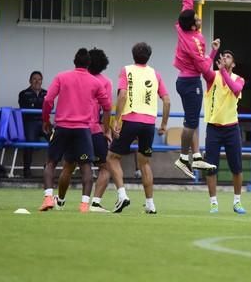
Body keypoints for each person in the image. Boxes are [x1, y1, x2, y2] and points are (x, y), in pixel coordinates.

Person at [39, 48, 111, 213]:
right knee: (86, 166)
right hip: (83, 130)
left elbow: (48, 99)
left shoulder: (61, 77)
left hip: (62, 127)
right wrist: (106, 128)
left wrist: (45, 119)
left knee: (51, 163)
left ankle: (49, 198)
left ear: (74, 61)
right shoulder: (96, 82)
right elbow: (107, 106)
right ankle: (84, 204)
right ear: (88, 64)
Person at [107, 42, 170, 214]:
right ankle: (150, 204)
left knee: (112, 157)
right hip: (149, 123)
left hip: (130, 119)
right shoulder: (155, 74)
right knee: (144, 162)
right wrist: (163, 124)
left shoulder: (126, 70)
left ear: (133, 55)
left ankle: (122, 195)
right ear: (149, 56)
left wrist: (116, 119)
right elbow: (167, 100)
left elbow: (122, 95)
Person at [172, 0, 218, 178]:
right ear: (192, 25)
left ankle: (197, 156)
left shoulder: (183, 26)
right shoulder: (194, 41)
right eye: (197, 20)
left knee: (193, 118)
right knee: (191, 122)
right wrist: (214, 54)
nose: (200, 20)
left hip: (184, 79)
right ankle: (183, 158)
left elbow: (187, 0)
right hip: (191, 82)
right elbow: (204, 67)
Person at [202, 50, 246, 214]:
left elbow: (235, 89)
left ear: (233, 64)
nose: (224, 58)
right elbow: (203, 68)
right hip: (213, 128)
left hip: (231, 128)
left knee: (236, 167)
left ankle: (237, 202)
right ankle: (214, 202)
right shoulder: (213, 76)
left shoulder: (238, 79)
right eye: (223, 56)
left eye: (228, 57)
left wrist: (223, 72)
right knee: (211, 167)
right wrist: (213, 51)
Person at [17, 71, 47, 178]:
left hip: (44, 122)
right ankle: (27, 171)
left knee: (55, 139)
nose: (37, 81)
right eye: (34, 79)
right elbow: (24, 107)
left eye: (39, 79)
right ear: (30, 81)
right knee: (29, 143)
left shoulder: (46, 93)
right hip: (30, 123)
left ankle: (49, 168)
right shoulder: (24, 94)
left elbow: (50, 107)